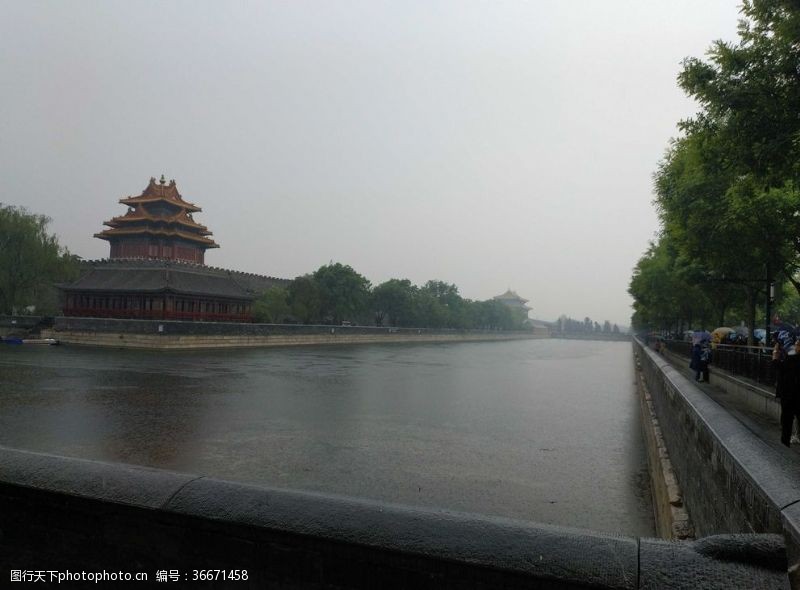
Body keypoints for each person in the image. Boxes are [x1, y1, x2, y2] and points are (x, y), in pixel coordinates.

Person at [772, 337, 800, 447]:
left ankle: (785, 445)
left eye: (797, 344)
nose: (795, 346)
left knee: (786, 422)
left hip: (790, 396)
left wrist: (775, 353)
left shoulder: (792, 359)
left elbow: (777, 366)